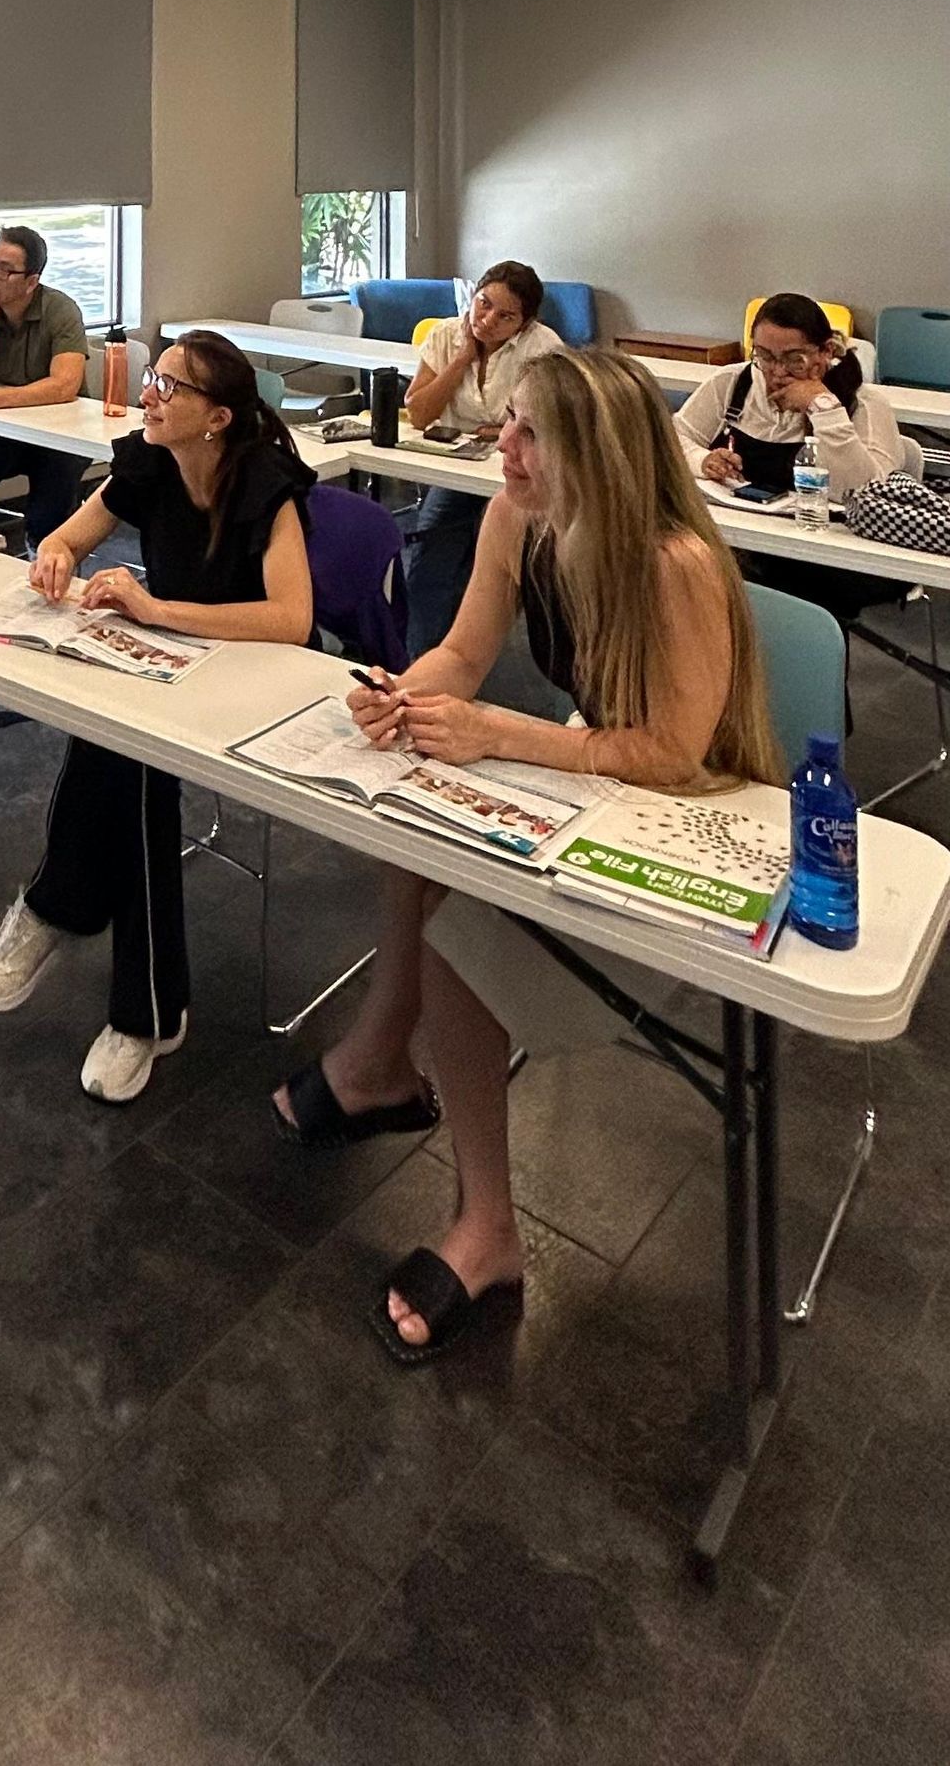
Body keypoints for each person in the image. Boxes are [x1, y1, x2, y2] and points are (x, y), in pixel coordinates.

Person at [272, 351, 780, 1364]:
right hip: (597, 784)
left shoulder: (676, 563)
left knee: (458, 922)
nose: (498, 446)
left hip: (683, 822)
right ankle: (380, 1065)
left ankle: (486, 1216)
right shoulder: (520, 516)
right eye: (505, 424)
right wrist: (403, 694)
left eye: (526, 432)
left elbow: (671, 755)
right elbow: (463, 651)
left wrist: (496, 732)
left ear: (595, 455)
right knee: (415, 833)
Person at [0, 329, 314, 1102]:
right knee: (123, 749)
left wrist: (155, 610)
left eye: (169, 386)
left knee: (130, 757)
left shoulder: (266, 484)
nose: (149, 393)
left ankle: (55, 909)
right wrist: (52, 557)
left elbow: (291, 619)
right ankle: (147, 1010)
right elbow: (68, 534)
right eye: (155, 376)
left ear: (216, 416)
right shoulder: (148, 460)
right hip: (175, 665)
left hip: (262, 679)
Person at [674, 290, 906, 629]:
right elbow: (672, 438)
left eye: (794, 359)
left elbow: (865, 493)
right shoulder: (732, 385)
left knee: (766, 590)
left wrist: (824, 408)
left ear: (826, 352)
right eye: (765, 357)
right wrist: (702, 459)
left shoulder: (864, 405)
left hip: (834, 556)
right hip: (757, 541)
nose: (777, 372)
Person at [401, 262, 558, 647]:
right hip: (459, 471)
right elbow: (420, 412)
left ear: (525, 323)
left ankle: (476, 654)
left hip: (520, 475)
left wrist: (499, 430)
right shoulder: (446, 335)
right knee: (429, 566)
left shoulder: (545, 348)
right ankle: (419, 664)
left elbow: (549, 425)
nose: (487, 320)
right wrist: (460, 361)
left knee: (514, 574)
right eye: (483, 304)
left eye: (505, 316)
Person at [0, 225, 91, 552]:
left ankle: (41, 565)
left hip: (62, 434)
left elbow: (65, 385)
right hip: (8, 429)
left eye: (4, 269)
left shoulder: (60, 310)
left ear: (31, 282)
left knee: (45, 517)